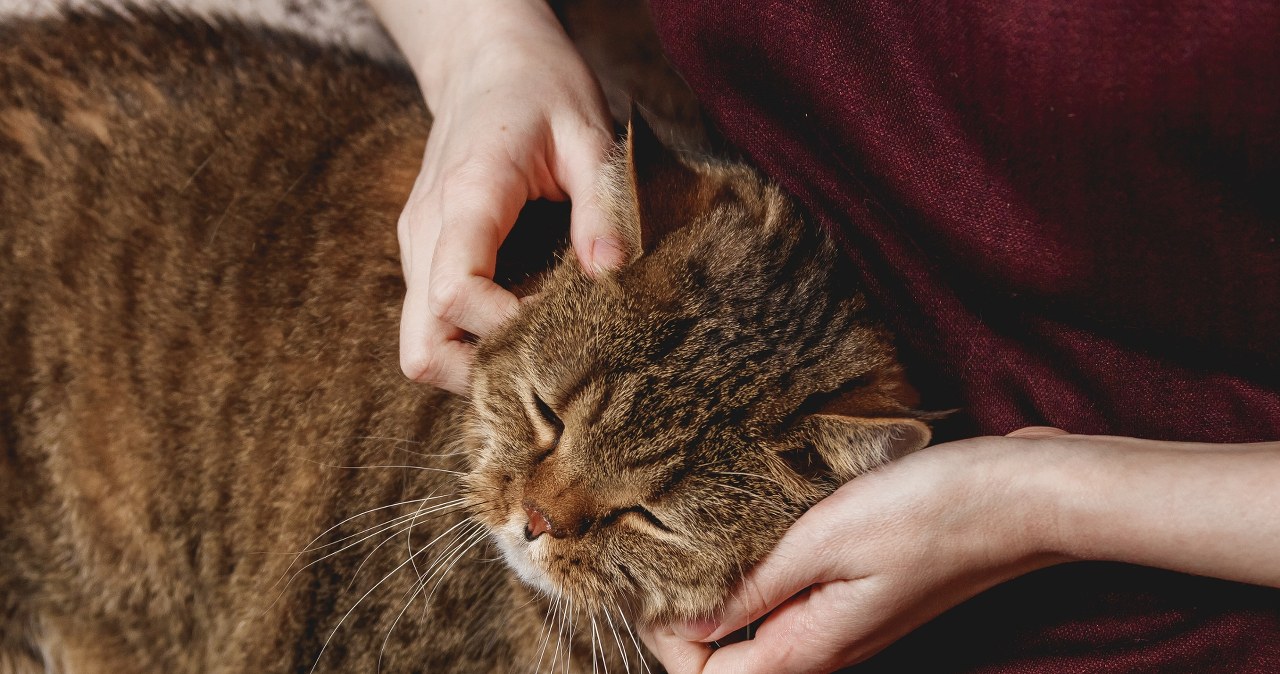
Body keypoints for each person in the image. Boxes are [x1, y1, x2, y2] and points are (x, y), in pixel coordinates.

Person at [368, 1, 1280, 671]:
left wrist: (1043, 500)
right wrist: (482, 43)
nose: (540, 520)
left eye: (639, 511)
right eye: (547, 418)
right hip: (709, 224)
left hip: (1159, 557)